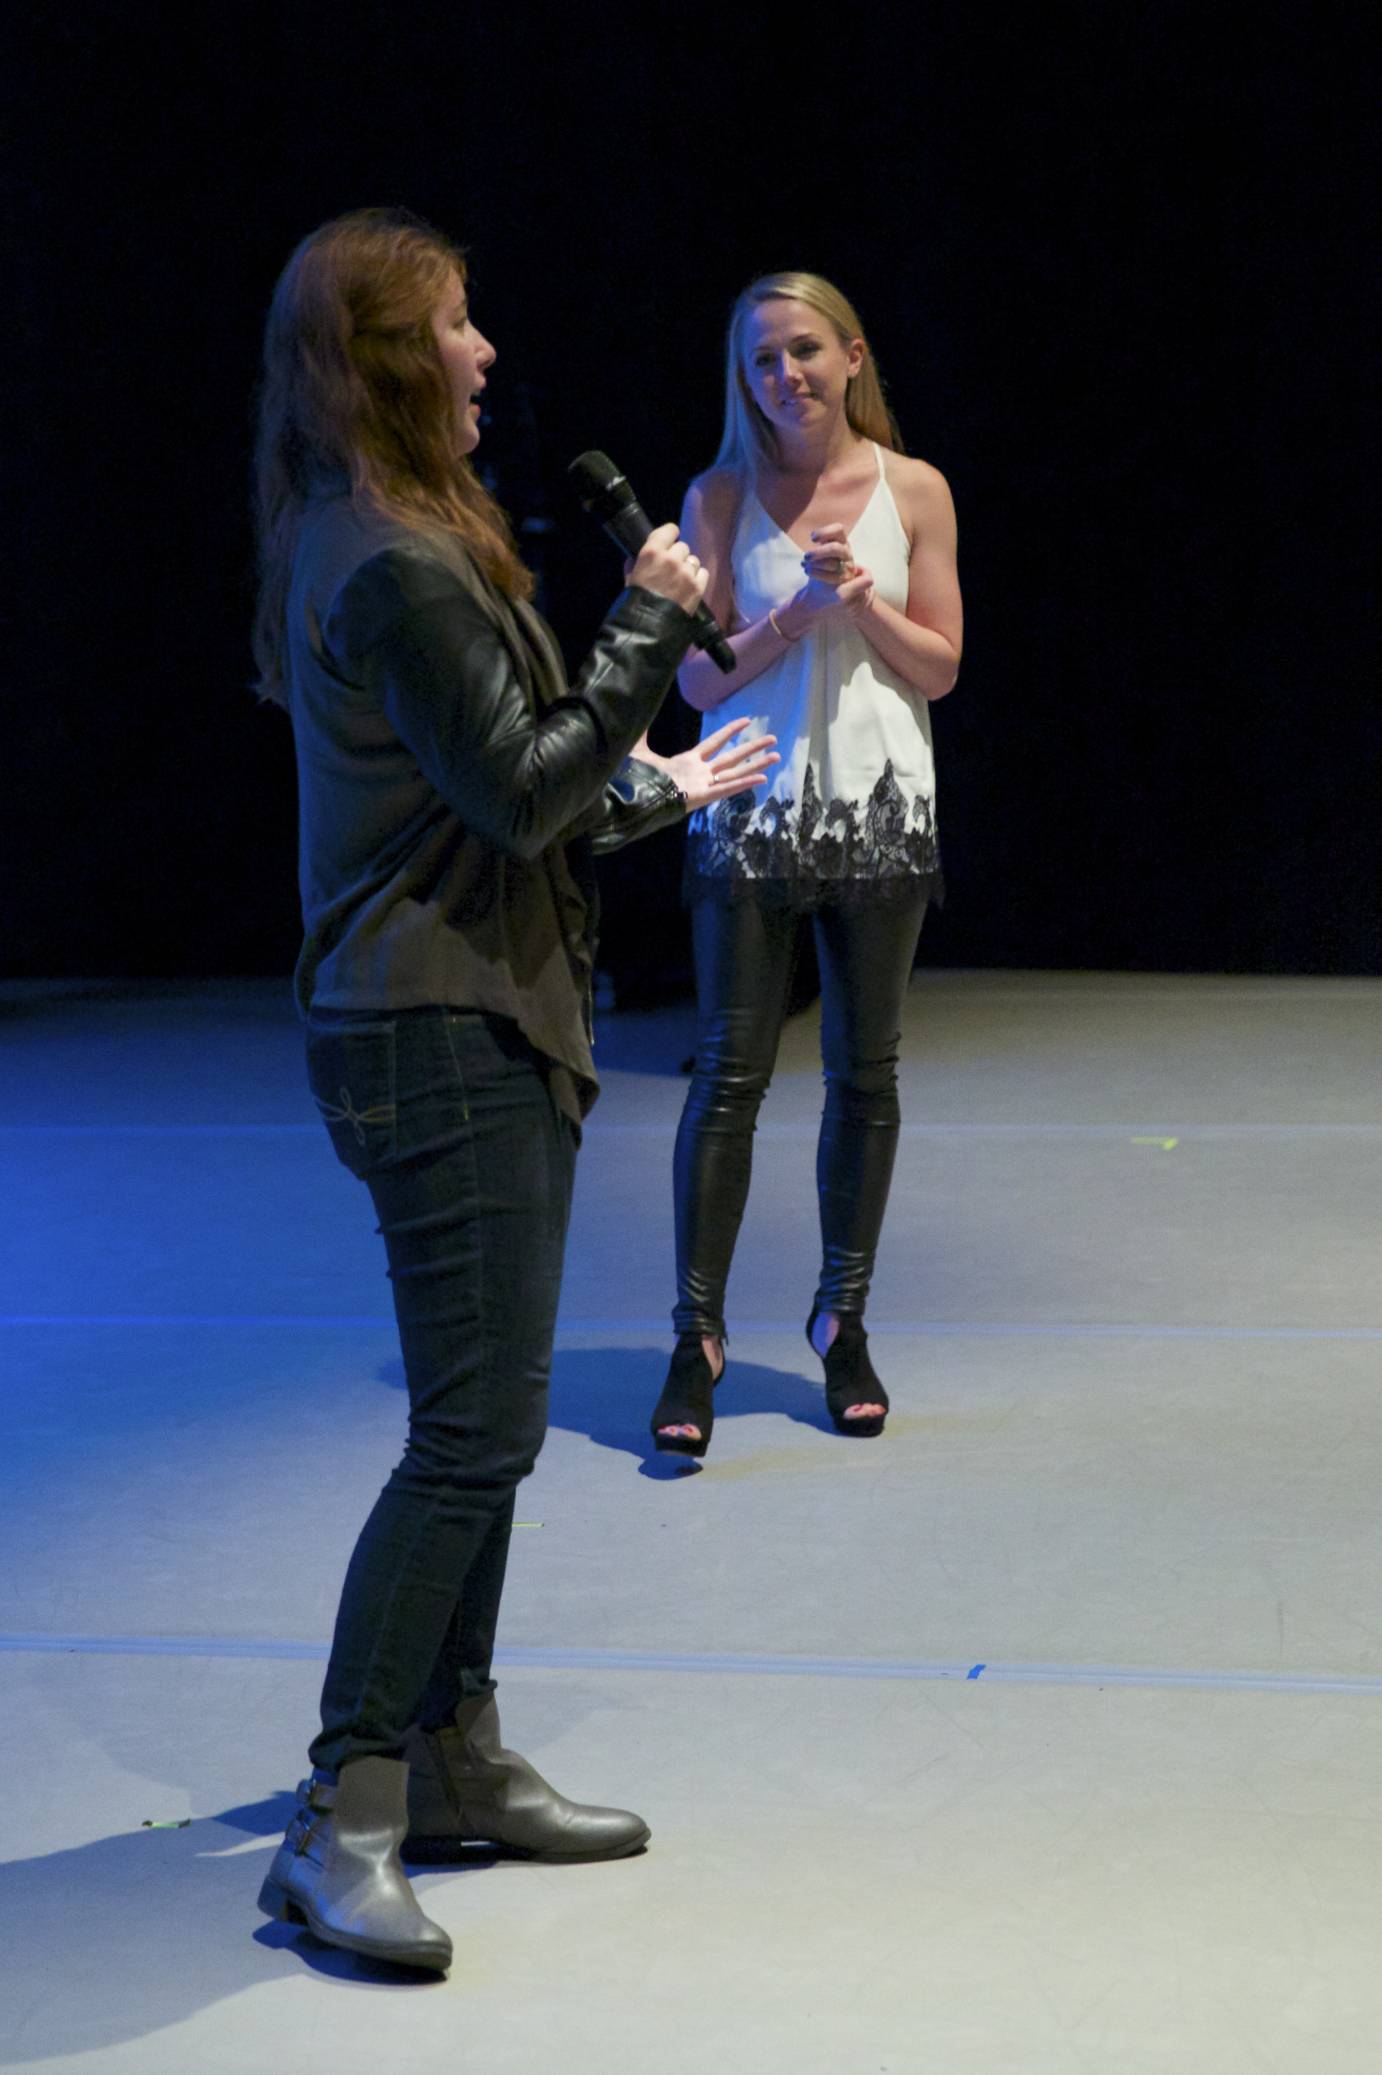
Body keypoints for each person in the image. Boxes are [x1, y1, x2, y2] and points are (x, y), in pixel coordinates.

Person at [250, 208, 774, 1973]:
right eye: (455, 330)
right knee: (471, 1436)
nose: (484, 356)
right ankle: (345, 1815)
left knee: (489, 1423)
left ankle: (456, 1753)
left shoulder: (395, 535)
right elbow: (524, 795)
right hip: (432, 1030)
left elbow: (506, 789)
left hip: (482, 1011)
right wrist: (644, 625)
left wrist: (664, 781)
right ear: (389, 364)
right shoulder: (384, 558)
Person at [650, 271, 963, 1459]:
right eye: (761, 360)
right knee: (727, 1075)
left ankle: (842, 1320)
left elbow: (938, 666)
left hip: (880, 818)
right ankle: (697, 1337)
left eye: (802, 352)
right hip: (748, 814)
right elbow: (689, 679)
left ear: (850, 356)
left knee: (862, 1075)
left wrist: (859, 599)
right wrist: (785, 620)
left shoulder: (913, 488)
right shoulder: (718, 494)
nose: (784, 375)